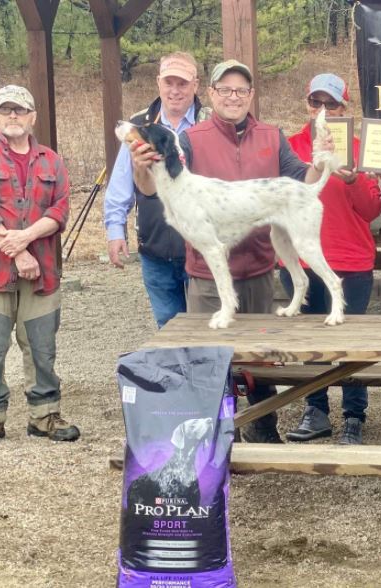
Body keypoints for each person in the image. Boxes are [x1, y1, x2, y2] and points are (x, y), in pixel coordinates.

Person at [130, 59, 333, 443]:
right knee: (209, 364)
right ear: (212, 94)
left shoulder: (273, 136)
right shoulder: (190, 138)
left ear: (251, 95)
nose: (233, 97)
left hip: (258, 271)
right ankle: (213, 440)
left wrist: (320, 159)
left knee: (259, 362)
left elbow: (299, 180)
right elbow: (155, 186)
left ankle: (262, 429)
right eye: (225, 90)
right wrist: (141, 167)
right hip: (207, 278)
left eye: (241, 90)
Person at [0, 85, 80, 448]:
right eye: (6, 110)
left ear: (32, 117)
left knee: (42, 347)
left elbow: (59, 209)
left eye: (20, 110)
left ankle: (44, 415)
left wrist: (26, 237)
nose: (13, 116)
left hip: (42, 272)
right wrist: (17, 251)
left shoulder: (51, 161)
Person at [282, 73, 381, 445]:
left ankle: (354, 414)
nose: (323, 110)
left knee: (350, 342)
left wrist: (356, 181)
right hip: (304, 262)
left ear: (345, 107)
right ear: (308, 105)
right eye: (316, 103)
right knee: (312, 341)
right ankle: (316, 409)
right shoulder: (290, 146)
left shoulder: (362, 148)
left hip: (352, 261)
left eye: (332, 104)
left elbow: (372, 210)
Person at [104, 51, 210, 328]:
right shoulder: (138, 125)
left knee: (207, 328)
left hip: (201, 248)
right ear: (158, 83)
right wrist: (115, 231)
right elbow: (120, 183)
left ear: (196, 85)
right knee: (168, 326)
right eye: (169, 82)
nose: (175, 91)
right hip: (156, 250)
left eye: (183, 83)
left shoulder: (211, 123)